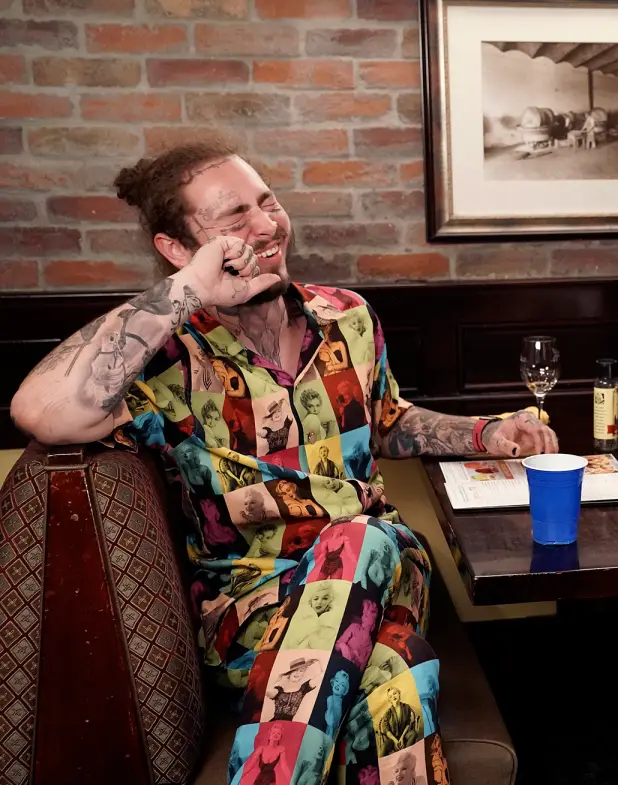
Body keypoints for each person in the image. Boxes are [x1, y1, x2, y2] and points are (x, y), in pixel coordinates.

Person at [9, 140, 560, 784]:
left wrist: (486, 431)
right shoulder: (164, 358)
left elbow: (387, 420)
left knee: (362, 536)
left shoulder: (348, 316)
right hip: (252, 614)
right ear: (177, 249)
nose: (266, 225)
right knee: (394, 672)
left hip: (385, 570)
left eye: (267, 202)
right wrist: (189, 289)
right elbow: (42, 411)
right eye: (234, 217)